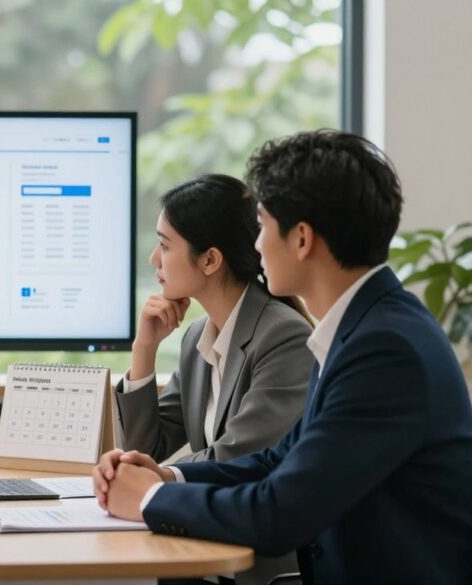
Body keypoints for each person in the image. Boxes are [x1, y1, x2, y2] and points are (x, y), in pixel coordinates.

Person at [94, 130, 472, 584]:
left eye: (264, 225)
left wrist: (150, 498)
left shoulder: (384, 349)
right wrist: (169, 479)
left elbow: (279, 513)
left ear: (302, 239)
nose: (255, 245)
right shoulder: (362, 327)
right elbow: (279, 461)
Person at [116, 175, 314, 584]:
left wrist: (153, 478)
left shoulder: (283, 335)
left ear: (209, 260)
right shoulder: (196, 337)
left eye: (165, 245)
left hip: (257, 561)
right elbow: (145, 447)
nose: (154, 258)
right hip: (203, 544)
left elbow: (239, 457)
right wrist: (144, 350)